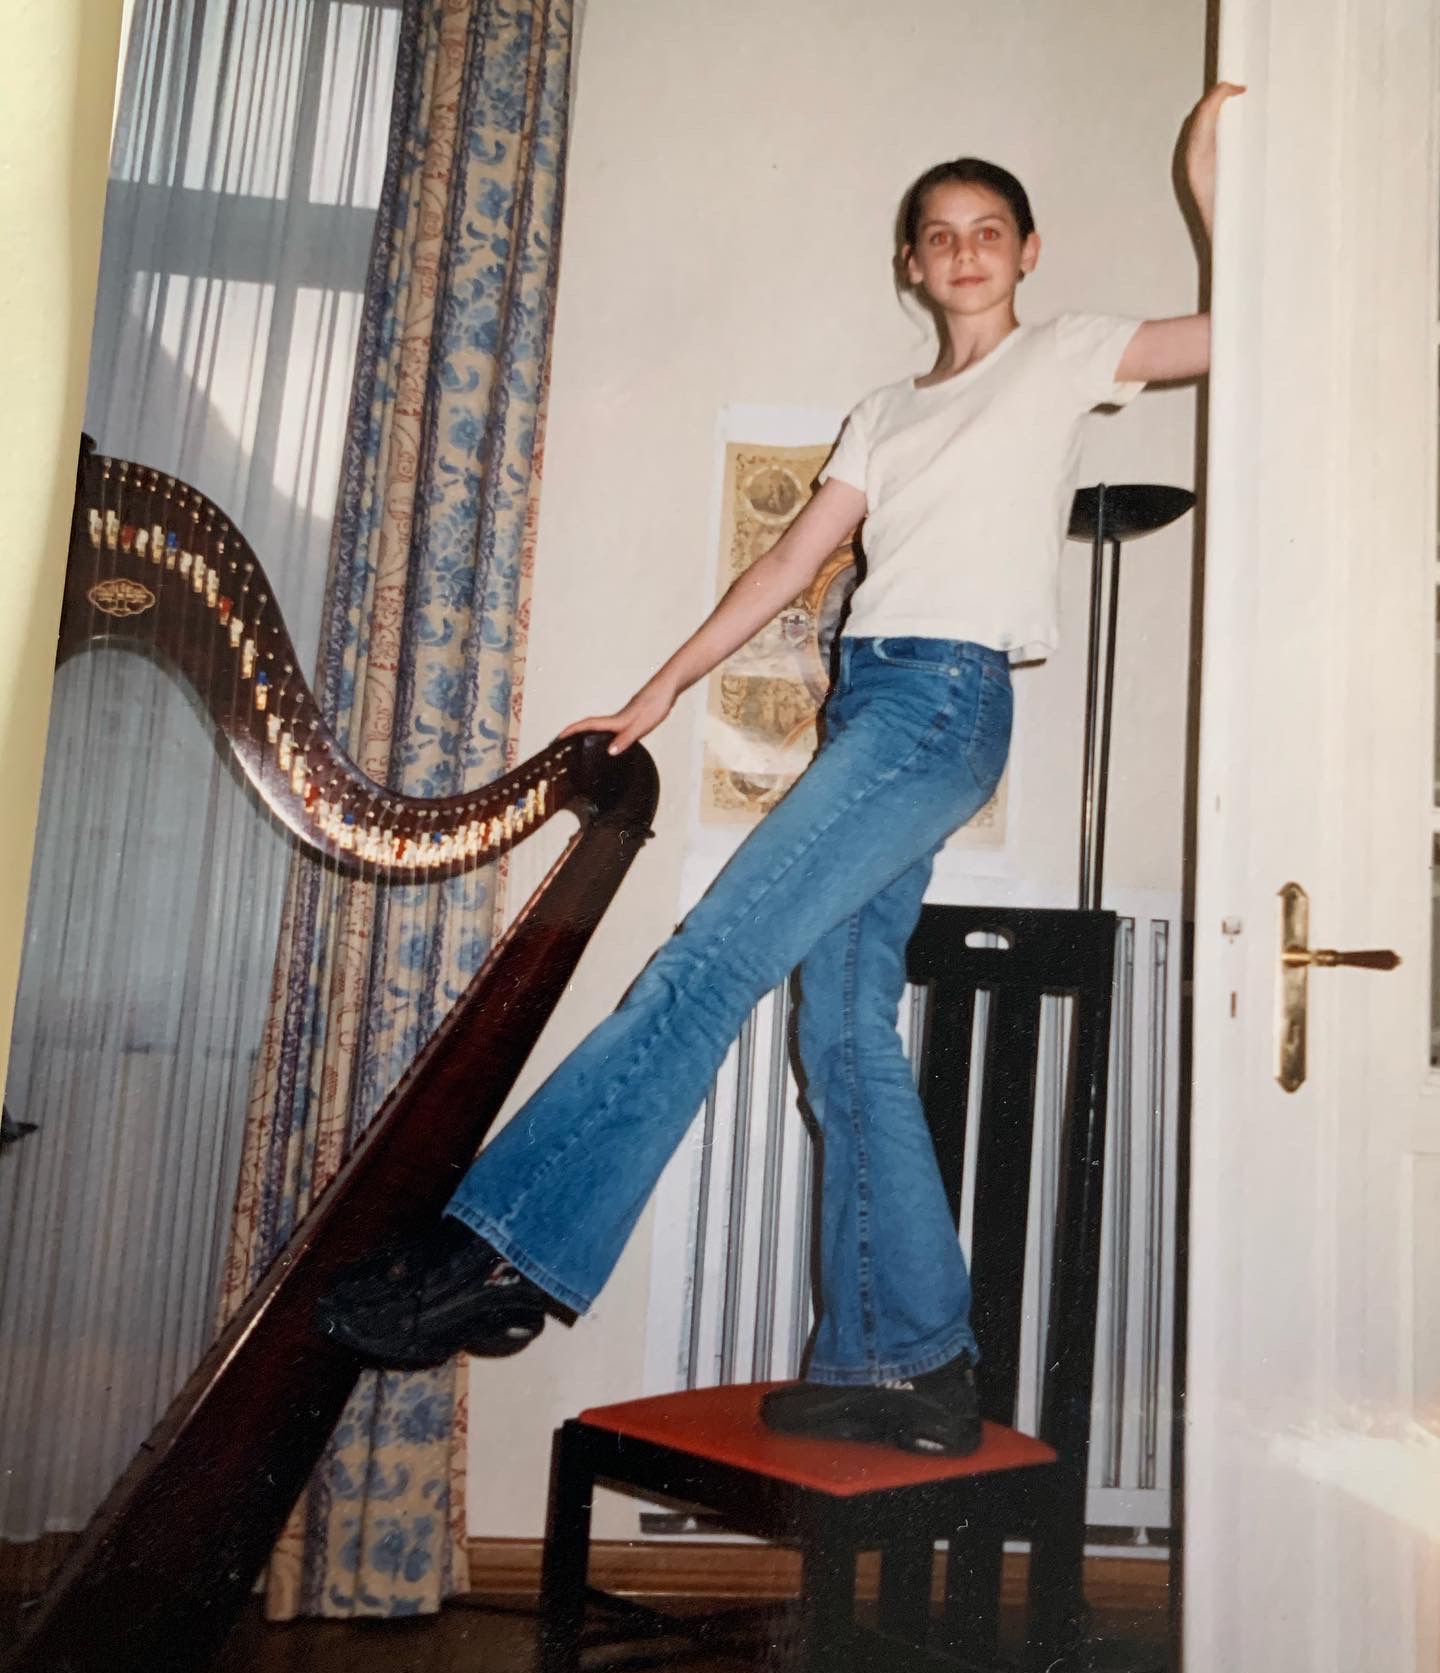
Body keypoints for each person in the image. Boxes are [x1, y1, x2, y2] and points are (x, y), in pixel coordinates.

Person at [319, 83, 1244, 1457]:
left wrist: (1210, 187)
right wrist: (664, 685)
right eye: (940, 233)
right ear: (911, 266)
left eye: (992, 228)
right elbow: (791, 564)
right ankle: (912, 1363)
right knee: (841, 1028)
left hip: (942, 704)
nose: (967, 248)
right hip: (868, 706)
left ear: (1029, 252)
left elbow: (1243, 334)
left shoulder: (1068, 355)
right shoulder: (881, 409)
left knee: (705, 964)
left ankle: (506, 1250)